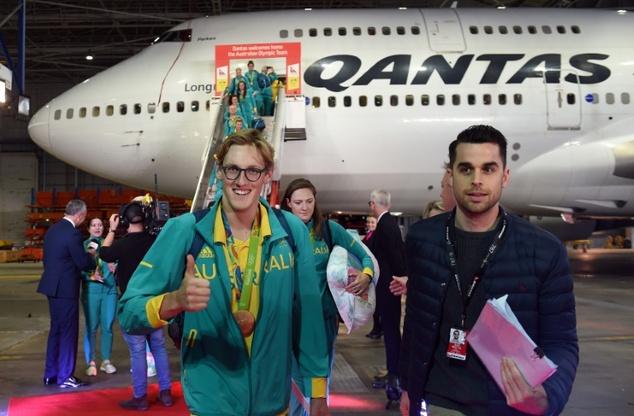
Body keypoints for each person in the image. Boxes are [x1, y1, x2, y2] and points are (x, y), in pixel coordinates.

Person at [117, 129, 331, 416]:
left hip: (273, 403)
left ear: (267, 175)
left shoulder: (291, 232)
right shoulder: (185, 231)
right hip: (211, 404)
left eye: (253, 171)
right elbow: (129, 312)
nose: (242, 181)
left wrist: (317, 394)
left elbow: (309, 318)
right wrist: (173, 302)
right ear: (219, 172)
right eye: (233, 169)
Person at [399, 125, 579, 416]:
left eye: (489, 169)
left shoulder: (543, 251)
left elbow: (562, 342)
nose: (477, 180)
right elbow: (417, 323)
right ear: (451, 175)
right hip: (440, 400)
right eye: (466, 169)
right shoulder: (423, 239)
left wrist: (548, 395)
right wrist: (407, 384)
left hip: (507, 407)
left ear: (505, 177)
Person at [281, 178, 375, 415]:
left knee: (320, 381)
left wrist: (366, 274)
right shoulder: (279, 232)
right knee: (293, 381)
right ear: (288, 203)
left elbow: (365, 256)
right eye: (299, 202)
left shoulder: (330, 230)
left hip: (323, 321)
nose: (305, 207)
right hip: (288, 321)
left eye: (309, 201)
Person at [99, 201, 173, 411]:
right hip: (154, 303)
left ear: (124, 221)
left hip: (132, 306)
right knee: (159, 348)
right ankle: (165, 393)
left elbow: (104, 253)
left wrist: (112, 230)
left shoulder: (122, 245)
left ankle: (140, 397)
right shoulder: (154, 241)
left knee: (138, 352)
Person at [37, 199, 95, 389]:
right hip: (66, 289)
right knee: (69, 333)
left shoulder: (52, 230)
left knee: (56, 331)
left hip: (51, 287)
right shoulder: (73, 234)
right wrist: (92, 256)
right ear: (79, 215)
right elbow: (82, 262)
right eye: (83, 218)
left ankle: (50, 373)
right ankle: (65, 376)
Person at [366, 190, 407, 400]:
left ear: (373, 204)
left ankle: (395, 374)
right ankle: (393, 372)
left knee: (391, 331)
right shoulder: (387, 223)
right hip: (389, 285)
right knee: (390, 331)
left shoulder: (385, 225)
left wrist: (402, 277)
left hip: (389, 286)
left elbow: (395, 255)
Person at [81, 217, 118, 377]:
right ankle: (91, 362)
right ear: (88, 229)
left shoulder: (109, 244)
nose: (97, 228)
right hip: (92, 290)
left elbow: (118, 263)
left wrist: (114, 266)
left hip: (110, 290)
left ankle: (106, 361)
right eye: (93, 225)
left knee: (108, 327)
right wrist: (91, 276)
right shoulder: (83, 246)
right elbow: (79, 269)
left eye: (100, 225)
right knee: (91, 327)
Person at [363, 215, 382, 339]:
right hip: (372, 274)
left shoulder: (377, 236)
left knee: (378, 304)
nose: (370, 224)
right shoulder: (368, 236)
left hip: (377, 273)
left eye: (372, 222)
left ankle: (378, 328)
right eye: (368, 222)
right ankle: (376, 327)